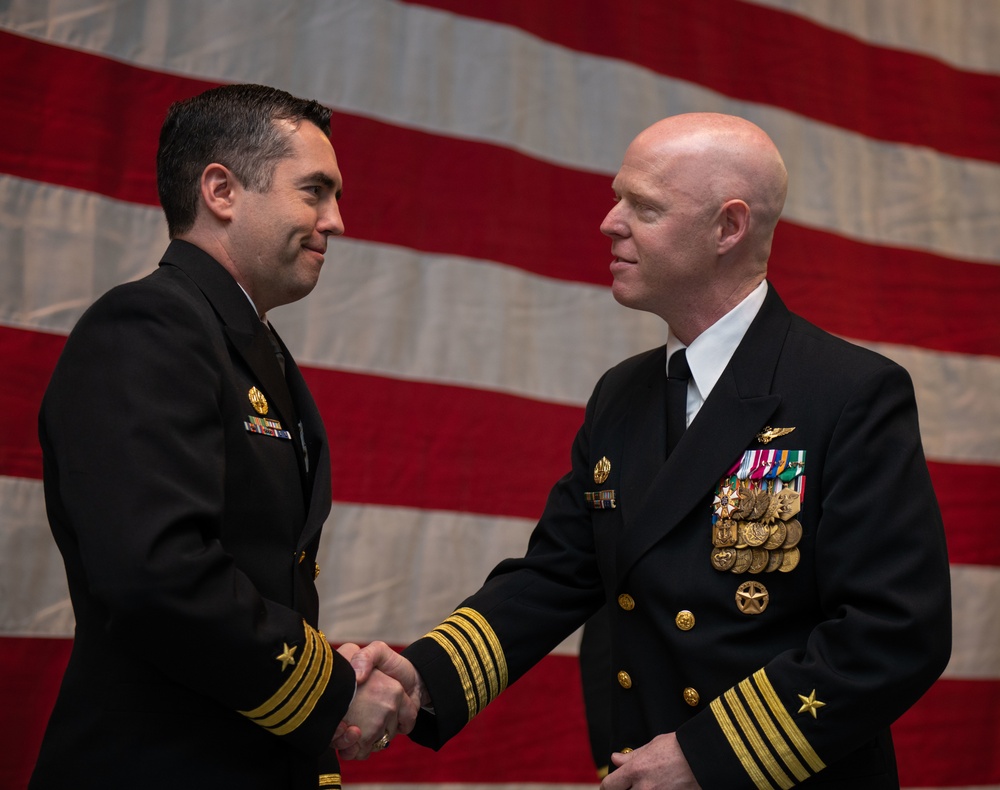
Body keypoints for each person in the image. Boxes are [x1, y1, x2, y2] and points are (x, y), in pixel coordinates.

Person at [344, 113, 952, 788]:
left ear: (728, 228)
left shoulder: (848, 392)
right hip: (638, 771)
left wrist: (709, 754)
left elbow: (895, 632)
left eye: (645, 206)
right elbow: (555, 574)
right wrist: (423, 676)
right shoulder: (625, 393)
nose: (609, 221)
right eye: (618, 197)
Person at [30, 83, 418, 790]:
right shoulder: (149, 327)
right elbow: (158, 573)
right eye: (315, 191)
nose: (336, 220)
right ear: (221, 190)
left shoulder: (240, 343)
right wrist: (332, 691)